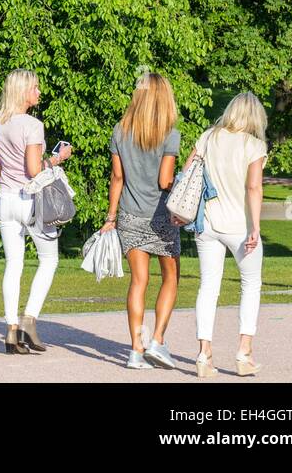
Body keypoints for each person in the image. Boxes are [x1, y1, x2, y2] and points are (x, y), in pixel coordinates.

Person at [100, 72, 182, 369]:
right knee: (170, 277)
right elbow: (165, 180)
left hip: (129, 215)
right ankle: (157, 340)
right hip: (161, 217)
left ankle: (136, 350)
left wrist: (111, 217)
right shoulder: (170, 133)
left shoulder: (120, 131)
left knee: (139, 281)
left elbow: (117, 178)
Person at [0, 68, 72, 354]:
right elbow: (34, 170)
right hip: (31, 200)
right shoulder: (32, 125)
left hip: (5, 199)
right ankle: (29, 320)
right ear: (23, 91)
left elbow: (0, 169)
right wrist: (57, 159)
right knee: (49, 260)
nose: (39, 92)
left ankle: (11, 330)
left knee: (14, 264)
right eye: (35, 88)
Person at [191, 92, 267, 379]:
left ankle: (203, 354)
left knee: (208, 287)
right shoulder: (254, 145)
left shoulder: (209, 136)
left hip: (207, 223)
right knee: (250, 284)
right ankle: (244, 353)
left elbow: (189, 172)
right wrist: (256, 227)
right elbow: (253, 189)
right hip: (240, 226)